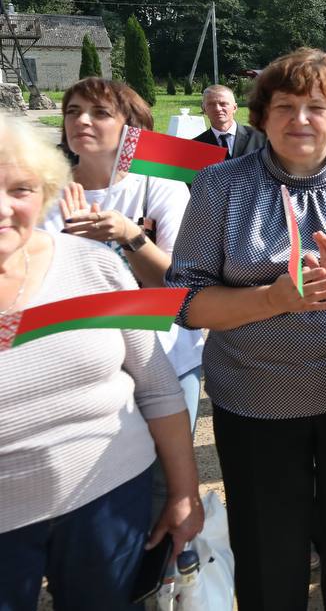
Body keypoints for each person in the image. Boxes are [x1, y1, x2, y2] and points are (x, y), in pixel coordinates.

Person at [167, 48, 326, 610]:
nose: (300, 119)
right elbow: (184, 300)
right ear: (261, 116)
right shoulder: (221, 186)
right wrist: (271, 299)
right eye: (284, 106)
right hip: (255, 401)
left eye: (316, 106)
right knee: (269, 555)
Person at [0, 114, 202, 609]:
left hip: (110, 497)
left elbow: (157, 387)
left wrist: (183, 493)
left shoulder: (94, 263)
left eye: (20, 188)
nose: (4, 208)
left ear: (45, 192)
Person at [41, 78, 203, 430]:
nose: (81, 121)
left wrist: (131, 236)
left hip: (165, 358)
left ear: (130, 129)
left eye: (100, 113)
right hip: (83, 367)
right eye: (72, 112)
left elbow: (179, 288)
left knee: (167, 482)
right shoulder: (44, 196)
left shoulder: (160, 186)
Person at [193, 83, 266, 159]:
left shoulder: (260, 137)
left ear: (234, 108)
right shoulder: (195, 146)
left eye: (223, 104)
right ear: (204, 109)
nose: (217, 109)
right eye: (211, 104)